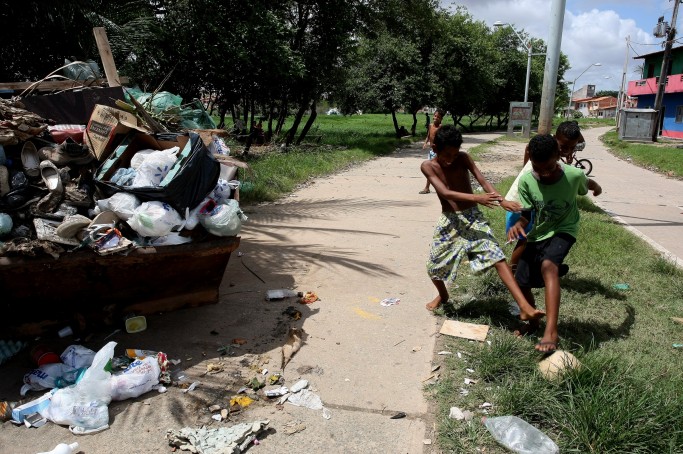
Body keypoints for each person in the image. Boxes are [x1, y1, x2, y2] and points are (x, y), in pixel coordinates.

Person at [421, 124, 546, 326]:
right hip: (450, 221)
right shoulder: (428, 166)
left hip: (472, 218)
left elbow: (483, 181)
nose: (451, 159)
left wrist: (501, 200)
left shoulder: (463, 159)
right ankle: (443, 296)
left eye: (455, 153)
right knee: (434, 267)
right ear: (434, 148)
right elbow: (445, 192)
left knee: (497, 256)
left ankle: (524, 306)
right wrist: (476, 197)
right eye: (446, 154)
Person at [508, 134, 602, 353]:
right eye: (538, 168)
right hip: (538, 233)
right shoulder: (526, 180)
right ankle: (533, 323)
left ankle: (551, 331)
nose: (544, 173)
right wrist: (519, 223)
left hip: (564, 229)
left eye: (549, 167)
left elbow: (587, 182)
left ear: (558, 156)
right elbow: (527, 214)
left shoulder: (573, 174)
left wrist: (597, 188)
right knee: (521, 281)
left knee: (548, 266)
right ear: (530, 159)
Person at [504, 121, 589, 272]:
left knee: (537, 237)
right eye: (564, 147)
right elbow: (528, 149)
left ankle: (541, 266)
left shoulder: (550, 152)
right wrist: (526, 169)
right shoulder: (544, 150)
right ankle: (513, 272)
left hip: (533, 202)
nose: (567, 151)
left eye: (572, 148)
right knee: (525, 239)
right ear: (556, 141)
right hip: (521, 202)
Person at [420, 108, 444, 194]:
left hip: (438, 151)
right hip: (431, 151)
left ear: (441, 119)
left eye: (438, 117)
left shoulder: (441, 127)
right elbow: (428, 135)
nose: (436, 118)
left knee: (435, 170)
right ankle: (427, 188)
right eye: (435, 116)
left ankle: (438, 188)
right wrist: (425, 143)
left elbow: (443, 139)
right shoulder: (430, 126)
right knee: (430, 169)